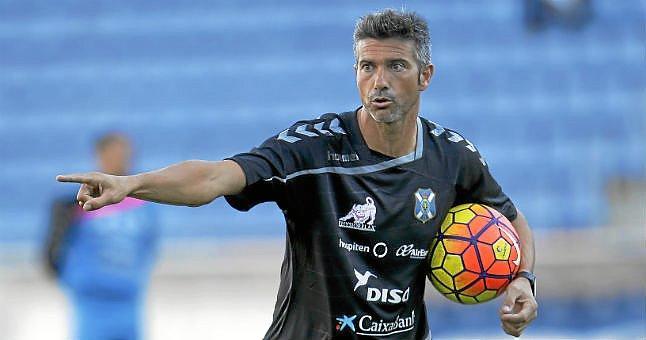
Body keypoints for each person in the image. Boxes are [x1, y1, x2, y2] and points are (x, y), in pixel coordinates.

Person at [57, 9, 537, 339]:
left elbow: (511, 222)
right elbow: (213, 178)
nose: (380, 81)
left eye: (396, 65)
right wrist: (130, 184)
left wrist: (523, 279)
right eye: (367, 66)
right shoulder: (313, 148)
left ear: (426, 75)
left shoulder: (451, 156)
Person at [47, 133, 158, 340]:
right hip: (91, 302)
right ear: (99, 155)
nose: (122, 159)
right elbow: (52, 250)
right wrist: (77, 280)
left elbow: (149, 245)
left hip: (128, 300)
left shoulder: (143, 204)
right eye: (115, 154)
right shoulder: (76, 203)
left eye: (125, 154)